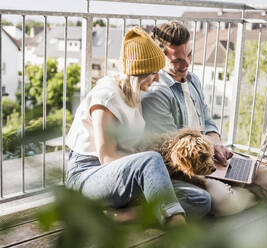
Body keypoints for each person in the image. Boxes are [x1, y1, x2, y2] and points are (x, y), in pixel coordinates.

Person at [143, 21, 267, 216]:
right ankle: (255, 194)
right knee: (223, 200)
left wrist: (217, 145)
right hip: (186, 169)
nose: (186, 64)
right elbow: (174, 153)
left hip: (211, 156)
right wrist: (213, 161)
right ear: (160, 59)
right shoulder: (157, 94)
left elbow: (207, 122)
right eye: (177, 60)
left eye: (188, 55)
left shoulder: (193, 80)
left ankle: (251, 190)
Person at [65, 27, 185, 225]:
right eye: (154, 73)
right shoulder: (107, 96)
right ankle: (179, 230)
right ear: (138, 74)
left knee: (200, 200)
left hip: (120, 175)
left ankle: (123, 217)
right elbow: (107, 158)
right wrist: (150, 168)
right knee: (151, 162)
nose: (156, 79)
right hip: (88, 176)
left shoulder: (133, 93)